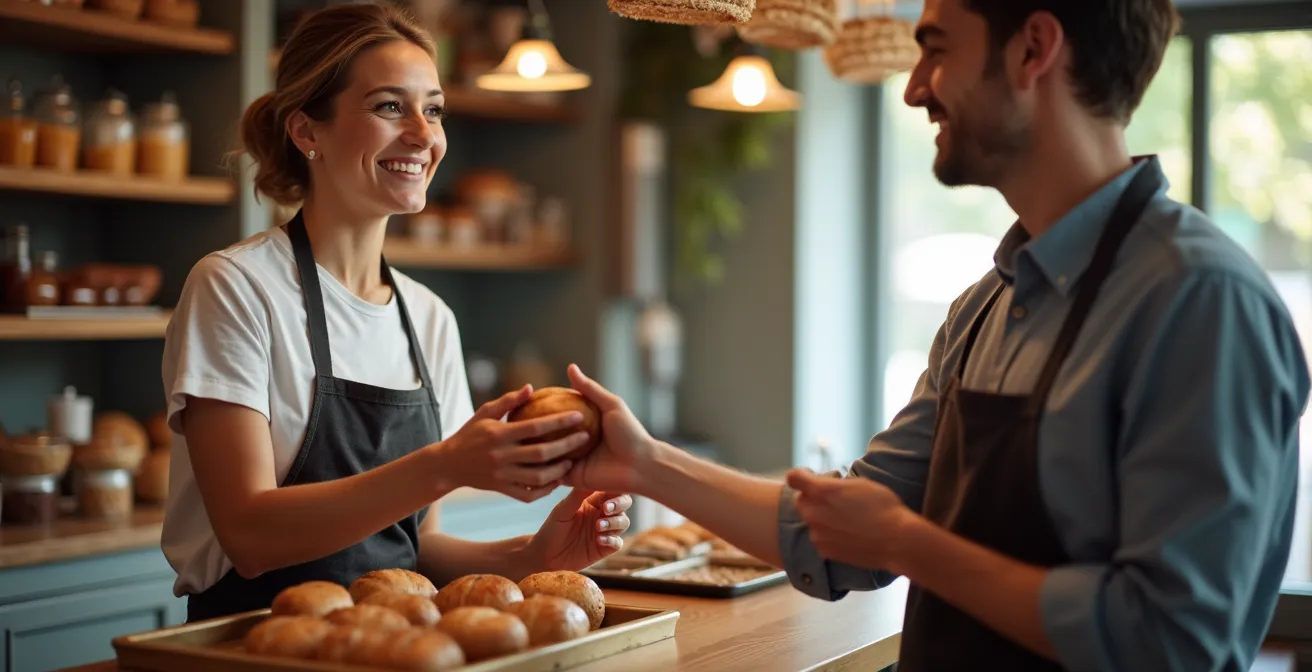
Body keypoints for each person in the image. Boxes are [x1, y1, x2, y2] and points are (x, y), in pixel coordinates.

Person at [561, 0, 1311, 670]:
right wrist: (646, 464)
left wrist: (909, 545)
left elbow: (1172, 642)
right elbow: (838, 528)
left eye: (938, 48)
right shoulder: (985, 308)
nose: (916, 86)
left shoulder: (1198, 300)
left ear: (1033, 49)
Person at [159, 3, 631, 622]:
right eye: (389, 106)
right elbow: (250, 536)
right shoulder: (237, 288)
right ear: (307, 133)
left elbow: (417, 550)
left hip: (392, 645)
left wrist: (537, 553)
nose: (423, 134)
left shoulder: (429, 317)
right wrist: (444, 464)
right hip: (256, 650)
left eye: (433, 109)